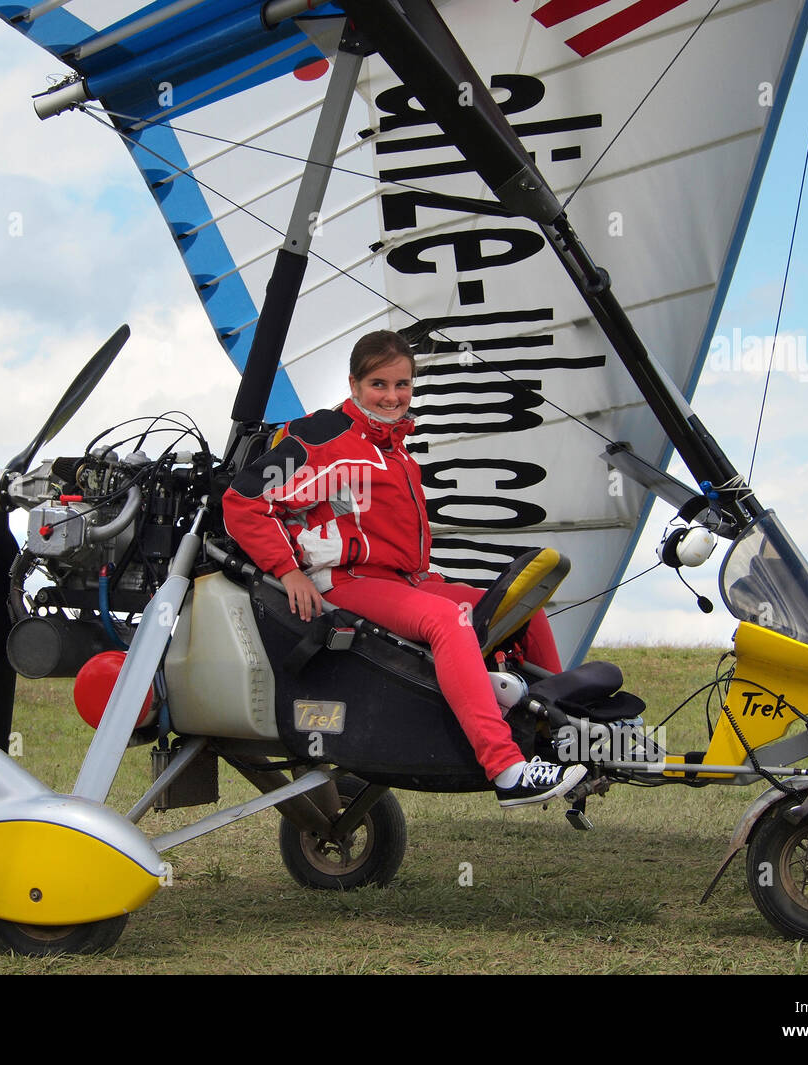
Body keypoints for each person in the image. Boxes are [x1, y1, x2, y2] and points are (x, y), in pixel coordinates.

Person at [222, 329, 586, 807]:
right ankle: (507, 769)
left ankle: (557, 735)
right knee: (445, 621)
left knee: (520, 606)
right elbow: (244, 501)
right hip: (346, 583)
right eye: (379, 384)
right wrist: (287, 571)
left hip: (404, 582)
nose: (392, 397)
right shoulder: (326, 438)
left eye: (403, 385)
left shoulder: (395, 448)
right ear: (353, 384)